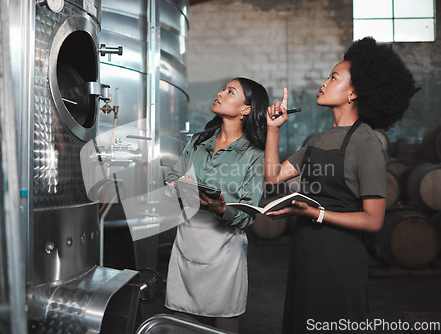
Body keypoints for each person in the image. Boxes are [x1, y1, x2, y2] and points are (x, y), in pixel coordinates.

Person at [264, 37, 419, 333]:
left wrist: (316, 214)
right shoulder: (317, 140)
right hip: (306, 251)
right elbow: (273, 176)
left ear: (353, 92)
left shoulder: (367, 143)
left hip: (340, 257)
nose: (324, 82)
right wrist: (274, 131)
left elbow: (373, 220)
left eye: (333, 77)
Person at [164, 77, 269, 332]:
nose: (220, 93)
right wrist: (179, 189)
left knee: (223, 319)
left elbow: (248, 213)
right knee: (181, 321)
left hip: (224, 251)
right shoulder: (198, 142)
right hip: (186, 242)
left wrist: (221, 208)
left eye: (230, 91)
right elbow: (172, 179)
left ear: (246, 109)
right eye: (223, 89)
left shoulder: (254, 154)